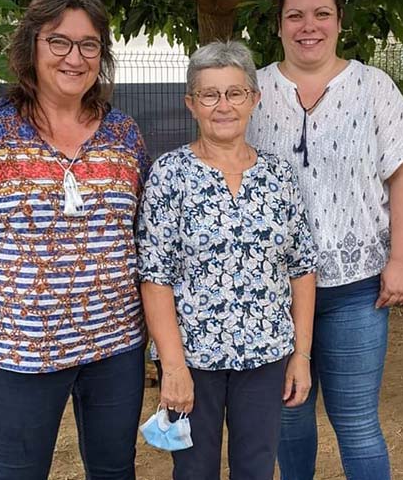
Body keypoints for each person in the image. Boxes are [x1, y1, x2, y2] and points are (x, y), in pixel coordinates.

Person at [0, 0, 151, 480]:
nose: (75, 57)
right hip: (18, 352)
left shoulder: (124, 134)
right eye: (59, 42)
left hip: (116, 346)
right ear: (31, 47)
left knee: (116, 469)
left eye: (89, 45)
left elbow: (140, 237)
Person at [247, 0, 403, 480]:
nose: (310, 26)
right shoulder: (252, 93)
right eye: (296, 15)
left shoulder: (374, 87)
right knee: (289, 415)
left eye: (322, 13)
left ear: (339, 20)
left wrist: (402, 260)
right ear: (279, 24)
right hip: (273, 291)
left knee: (356, 422)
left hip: (356, 289)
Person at [137, 41, 318, 480]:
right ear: (191, 104)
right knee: (195, 471)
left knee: (256, 469)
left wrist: (301, 356)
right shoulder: (169, 174)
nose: (224, 106)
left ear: (254, 99)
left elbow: (302, 267)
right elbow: (154, 276)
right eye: (210, 94)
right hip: (193, 358)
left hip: (267, 353)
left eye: (235, 93)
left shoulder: (279, 175)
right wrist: (173, 367)